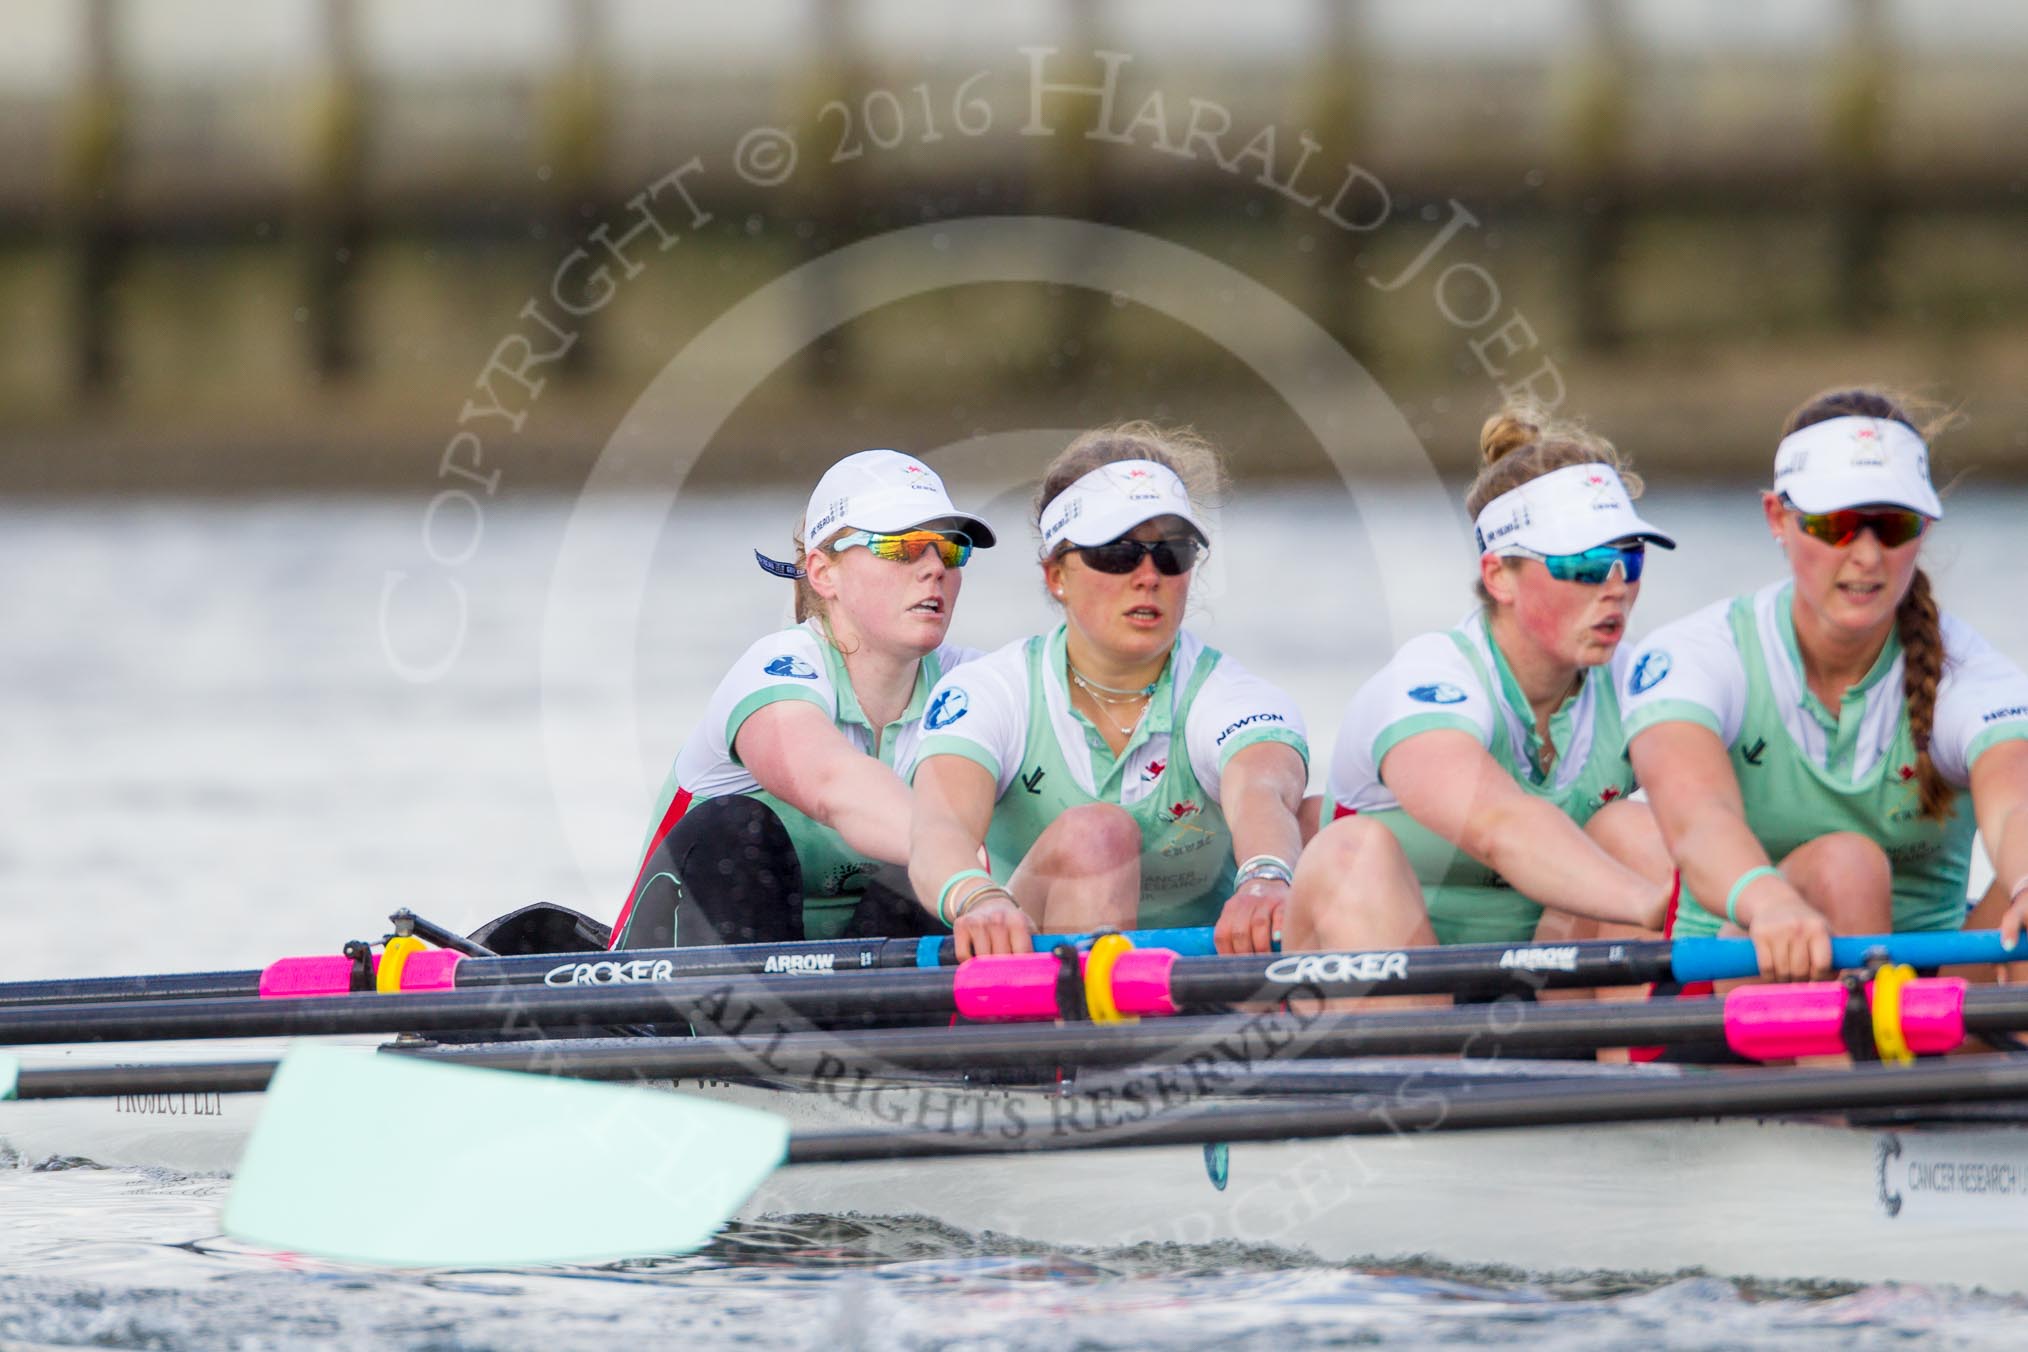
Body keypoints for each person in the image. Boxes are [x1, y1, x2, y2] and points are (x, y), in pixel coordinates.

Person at [1625, 388, 2028, 981]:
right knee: (1847, 866)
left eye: (1892, 526)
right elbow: (1698, 819)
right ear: (1777, 519)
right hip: (1731, 995)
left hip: (1924, 1007)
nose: (1867, 556)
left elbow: (2014, 801)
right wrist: (1771, 902)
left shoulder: (1972, 674)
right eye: (1837, 524)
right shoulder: (1700, 655)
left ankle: (1897, 1063)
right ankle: (1855, 1068)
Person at [1285, 404, 1677, 958]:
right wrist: (1657, 904)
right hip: (1388, 980)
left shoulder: (1646, 683)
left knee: (1631, 829)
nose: (1614, 587)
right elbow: (1498, 826)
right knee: (1352, 851)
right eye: (1585, 564)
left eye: (1628, 560)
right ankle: (1417, 1046)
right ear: (1499, 576)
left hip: (1541, 986)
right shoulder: (1430, 680)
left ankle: (1632, 1045)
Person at [907, 424, 1310, 959]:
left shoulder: (1233, 695)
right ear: (1057, 575)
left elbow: (1261, 788)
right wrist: (977, 897)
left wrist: (1264, 875)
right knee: (1099, 836)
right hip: (1030, 976)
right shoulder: (992, 691)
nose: (1148, 576)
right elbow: (938, 831)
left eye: (1172, 552)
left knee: (1332, 827)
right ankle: (1083, 1038)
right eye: (1118, 553)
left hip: (1201, 986)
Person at [607, 449, 996, 950]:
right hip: (667, 989)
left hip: (845, 1005)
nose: (934, 568)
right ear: (822, 572)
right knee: (738, 829)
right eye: (904, 547)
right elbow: (831, 781)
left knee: (922, 870)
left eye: (949, 549)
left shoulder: (978, 683)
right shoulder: (774, 670)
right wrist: (970, 877)